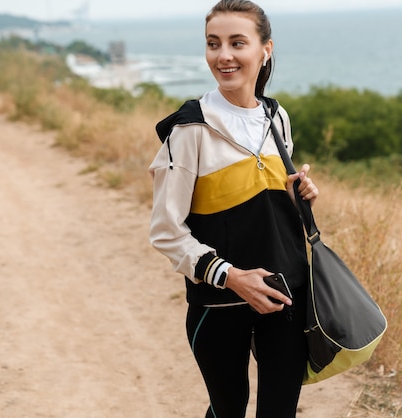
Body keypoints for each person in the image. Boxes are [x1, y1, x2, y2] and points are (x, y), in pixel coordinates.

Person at [148, 0, 318, 416]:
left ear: (266, 50)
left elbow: (263, 204)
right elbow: (166, 231)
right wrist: (231, 277)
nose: (223, 55)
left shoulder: (277, 117)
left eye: (237, 43)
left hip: (286, 293)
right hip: (219, 304)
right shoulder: (189, 128)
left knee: (280, 410)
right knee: (229, 409)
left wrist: (300, 194)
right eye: (213, 43)